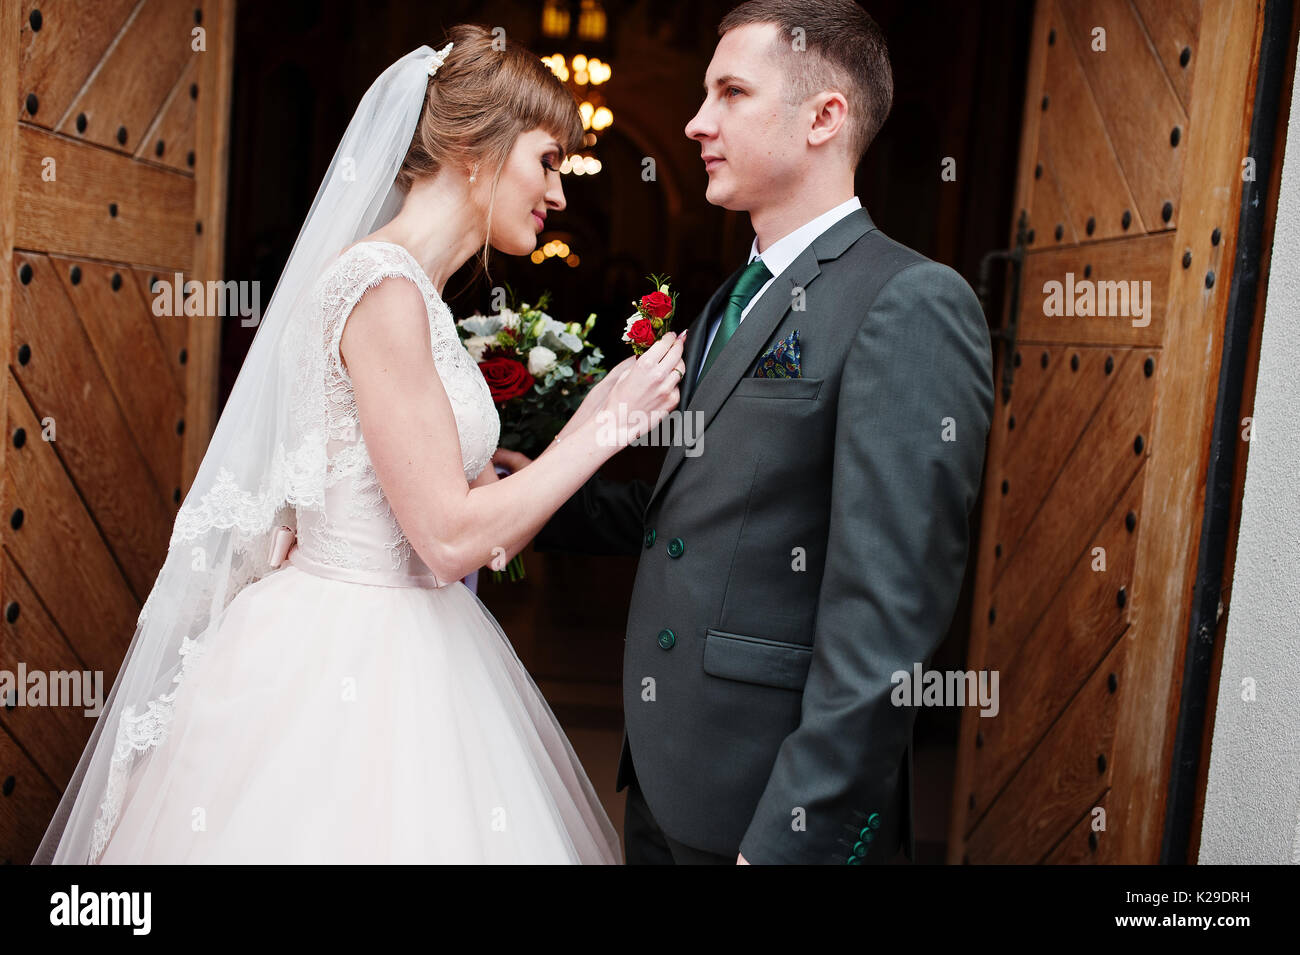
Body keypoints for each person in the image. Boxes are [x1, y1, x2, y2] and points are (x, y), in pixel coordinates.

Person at [33, 27, 685, 864]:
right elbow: (448, 539)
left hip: (425, 633)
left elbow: (476, 527)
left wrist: (507, 481)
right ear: (474, 150)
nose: (560, 195)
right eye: (549, 161)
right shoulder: (383, 290)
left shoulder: (420, 296)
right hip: (348, 653)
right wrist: (597, 429)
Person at [524, 0, 994, 864]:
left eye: (731, 92)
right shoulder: (730, 301)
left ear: (825, 117)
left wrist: (785, 843)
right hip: (667, 784)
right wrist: (526, 489)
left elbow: (885, 627)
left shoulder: (909, 302)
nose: (698, 122)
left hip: (769, 815)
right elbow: (693, 516)